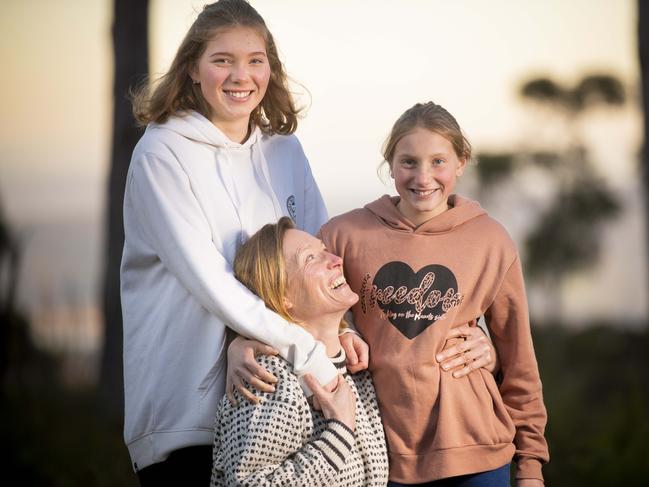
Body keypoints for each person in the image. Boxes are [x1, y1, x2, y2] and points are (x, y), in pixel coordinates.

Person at [121, 1, 366, 484]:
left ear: (270, 68)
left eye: (255, 60)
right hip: (187, 416)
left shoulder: (284, 150)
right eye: (221, 60)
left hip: (284, 405)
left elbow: (319, 262)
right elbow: (210, 281)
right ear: (192, 67)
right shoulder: (161, 153)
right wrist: (310, 353)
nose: (241, 75)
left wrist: (345, 331)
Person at [319, 102, 550, 486]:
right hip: (377, 452)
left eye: (438, 162)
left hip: (475, 447)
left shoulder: (490, 240)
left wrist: (530, 465)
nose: (423, 177)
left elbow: (518, 357)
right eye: (408, 162)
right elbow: (297, 311)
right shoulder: (343, 235)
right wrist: (343, 330)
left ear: (461, 162)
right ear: (390, 165)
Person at [210, 217, 389, 486]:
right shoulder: (266, 378)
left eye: (323, 249)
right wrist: (337, 435)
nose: (336, 259)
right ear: (283, 296)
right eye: (311, 259)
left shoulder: (356, 368)